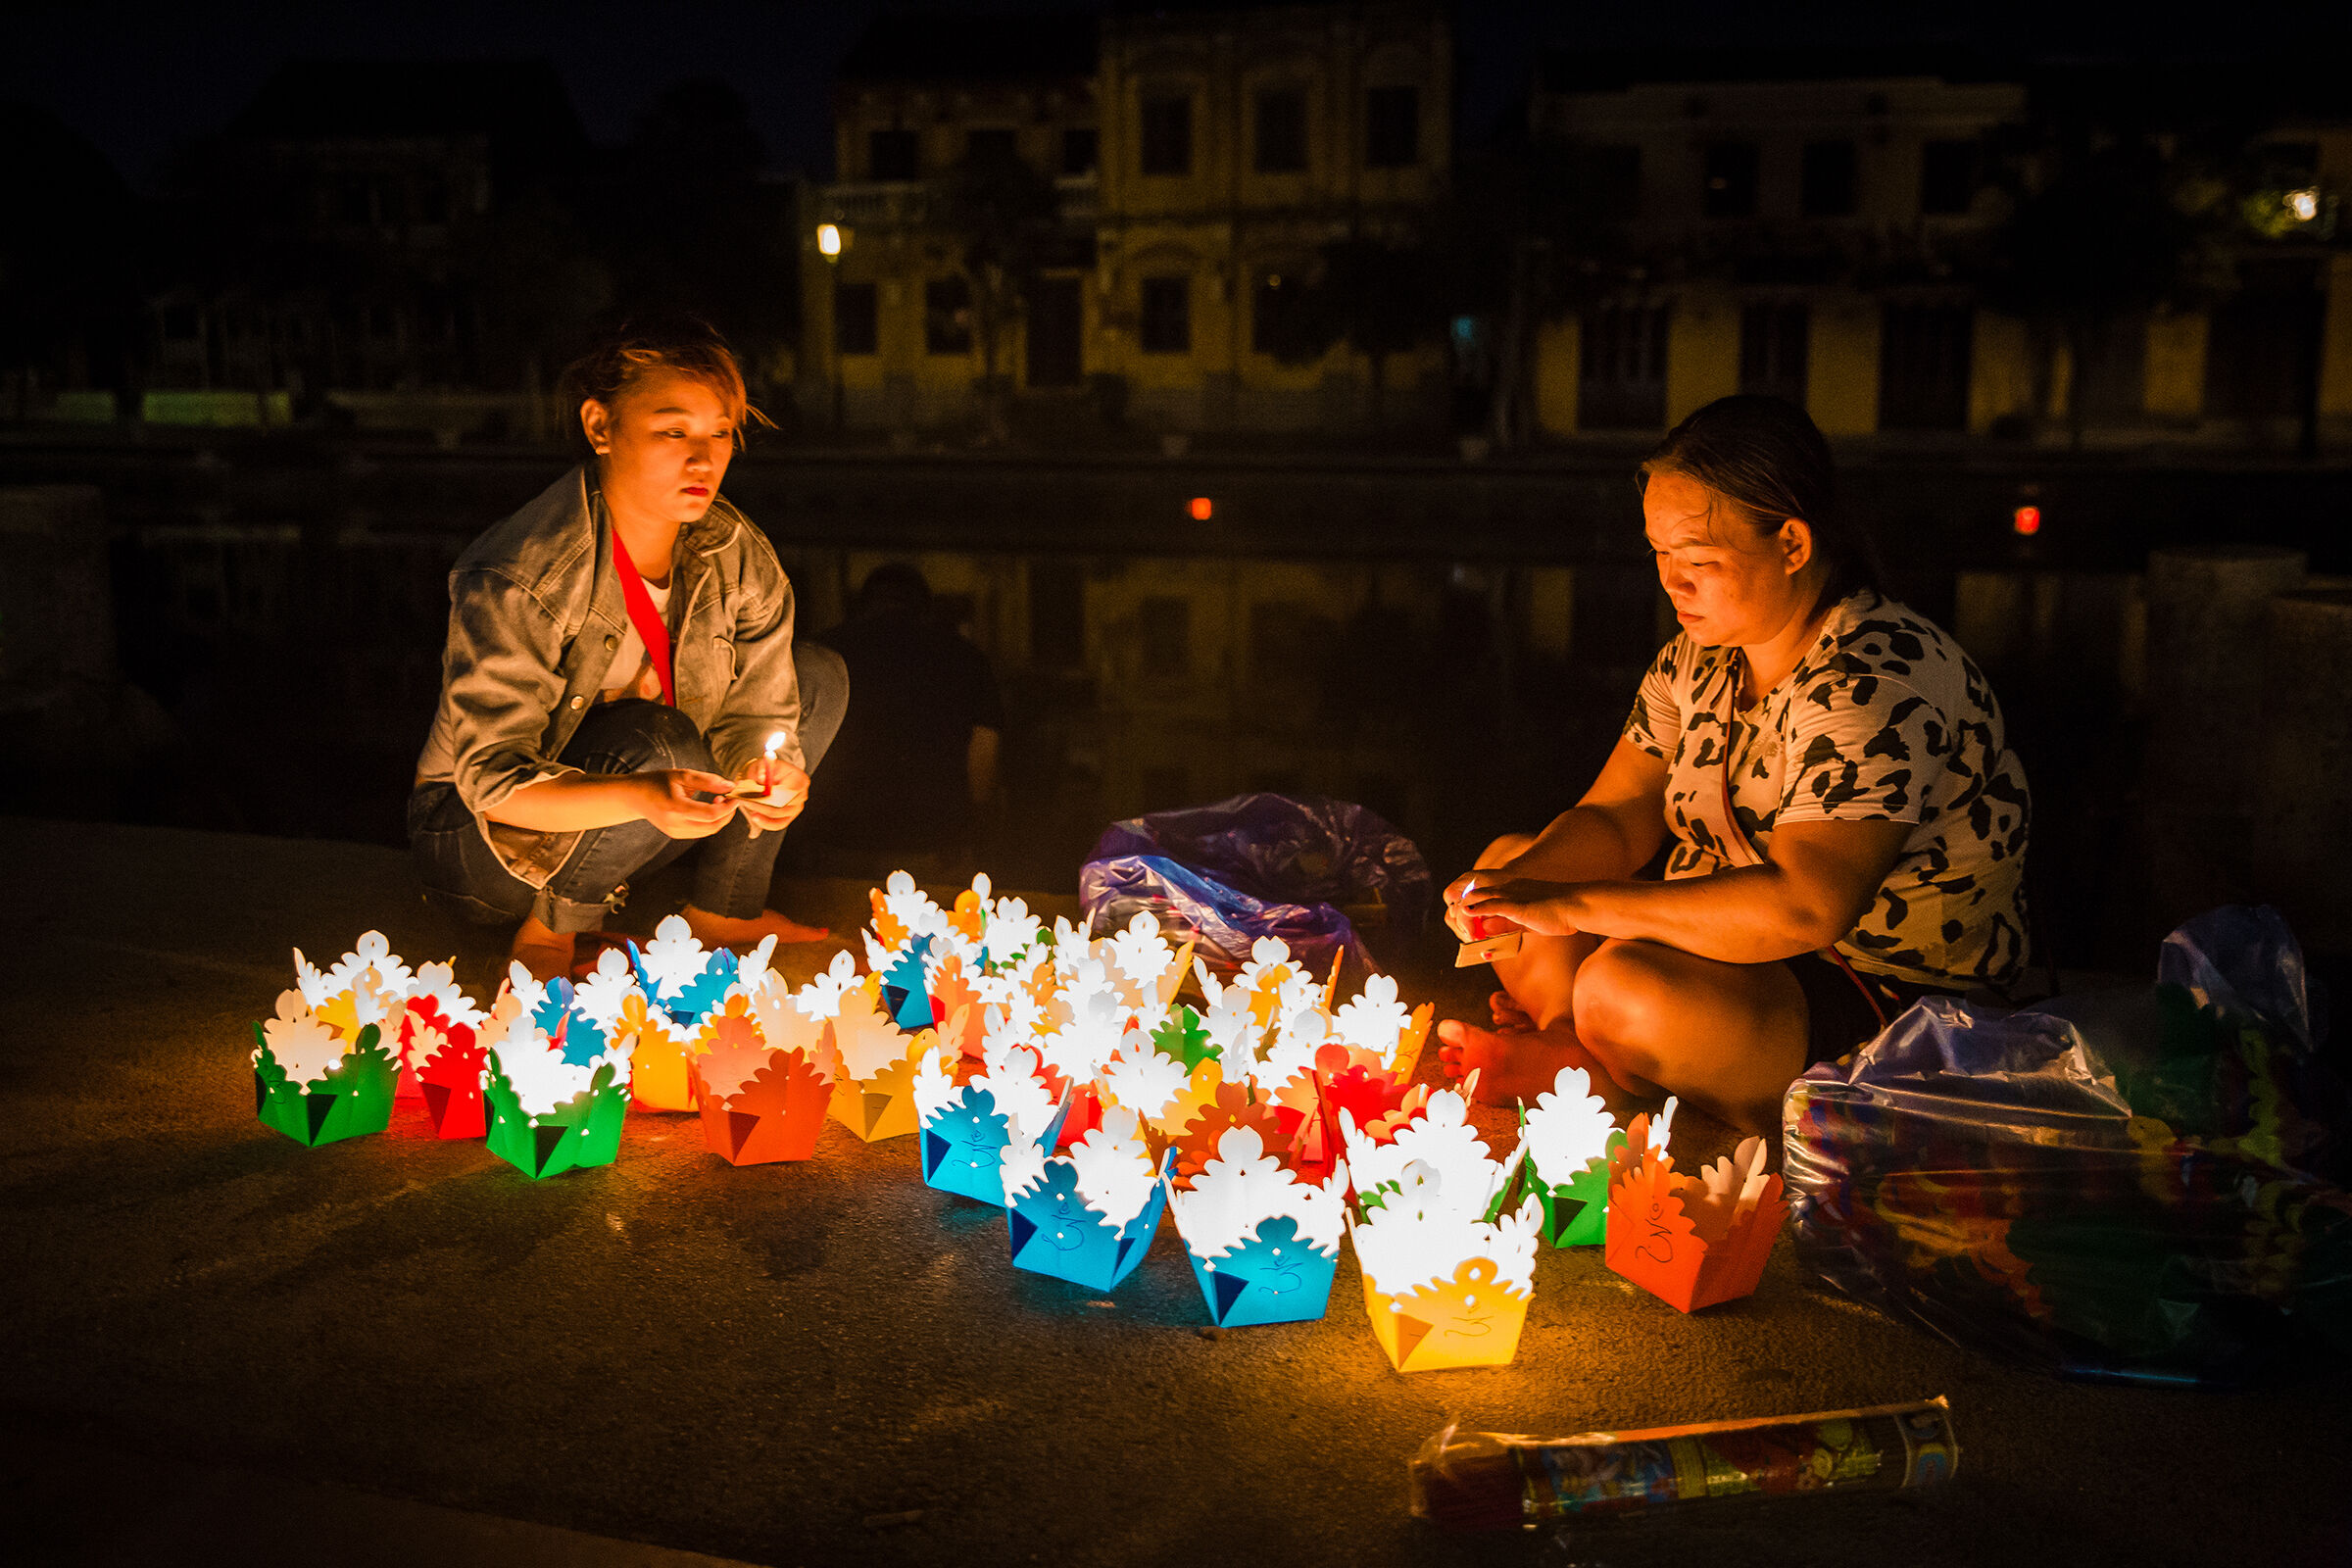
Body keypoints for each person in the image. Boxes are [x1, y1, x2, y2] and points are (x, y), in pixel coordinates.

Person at [1435, 395, 2032, 1135]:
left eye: (1700, 561)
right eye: (1660, 554)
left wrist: (1576, 907)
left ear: (1792, 544)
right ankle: (1569, 1043)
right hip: (1730, 949)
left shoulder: (1874, 682)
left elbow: (1807, 906)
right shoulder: (1699, 656)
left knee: (1618, 983)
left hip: (1881, 992)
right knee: (1511, 863)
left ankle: (1593, 1058)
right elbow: (1618, 813)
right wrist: (1521, 890)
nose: (1672, 583)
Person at [409, 314, 848, 980]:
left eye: (720, 433)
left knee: (817, 676)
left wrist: (771, 773)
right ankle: (554, 926)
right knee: (662, 739)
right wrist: (642, 796)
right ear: (599, 427)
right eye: (673, 431)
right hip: (480, 846)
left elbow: (758, 716)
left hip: (629, 815)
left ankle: (724, 910)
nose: (704, 460)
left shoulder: (735, 553)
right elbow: (494, 786)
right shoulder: (523, 573)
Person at [797, 564, 1004, 874]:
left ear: (863, 604)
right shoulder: (964, 657)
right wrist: (974, 828)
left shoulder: (819, 652)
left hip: (833, 841)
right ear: (924, 606)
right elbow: (983, 756)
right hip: (932, 841)